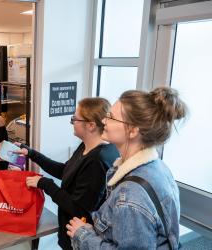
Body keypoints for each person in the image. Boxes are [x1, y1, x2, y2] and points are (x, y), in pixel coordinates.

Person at [67, 87, 187, 249]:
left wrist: (83, 235)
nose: (103, 121)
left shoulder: (131, 196)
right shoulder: (158, 168)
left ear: (133, 130)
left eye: (111, 117)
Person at [16, 97, 119, 250]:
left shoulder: (96, 161)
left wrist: (44, 184)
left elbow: (78, 208)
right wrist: (31, 153)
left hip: (81, 239)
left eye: (75, 119)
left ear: (90, 125)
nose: (72, 122)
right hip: (71, 233)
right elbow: (66, 171)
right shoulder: (86, 147)